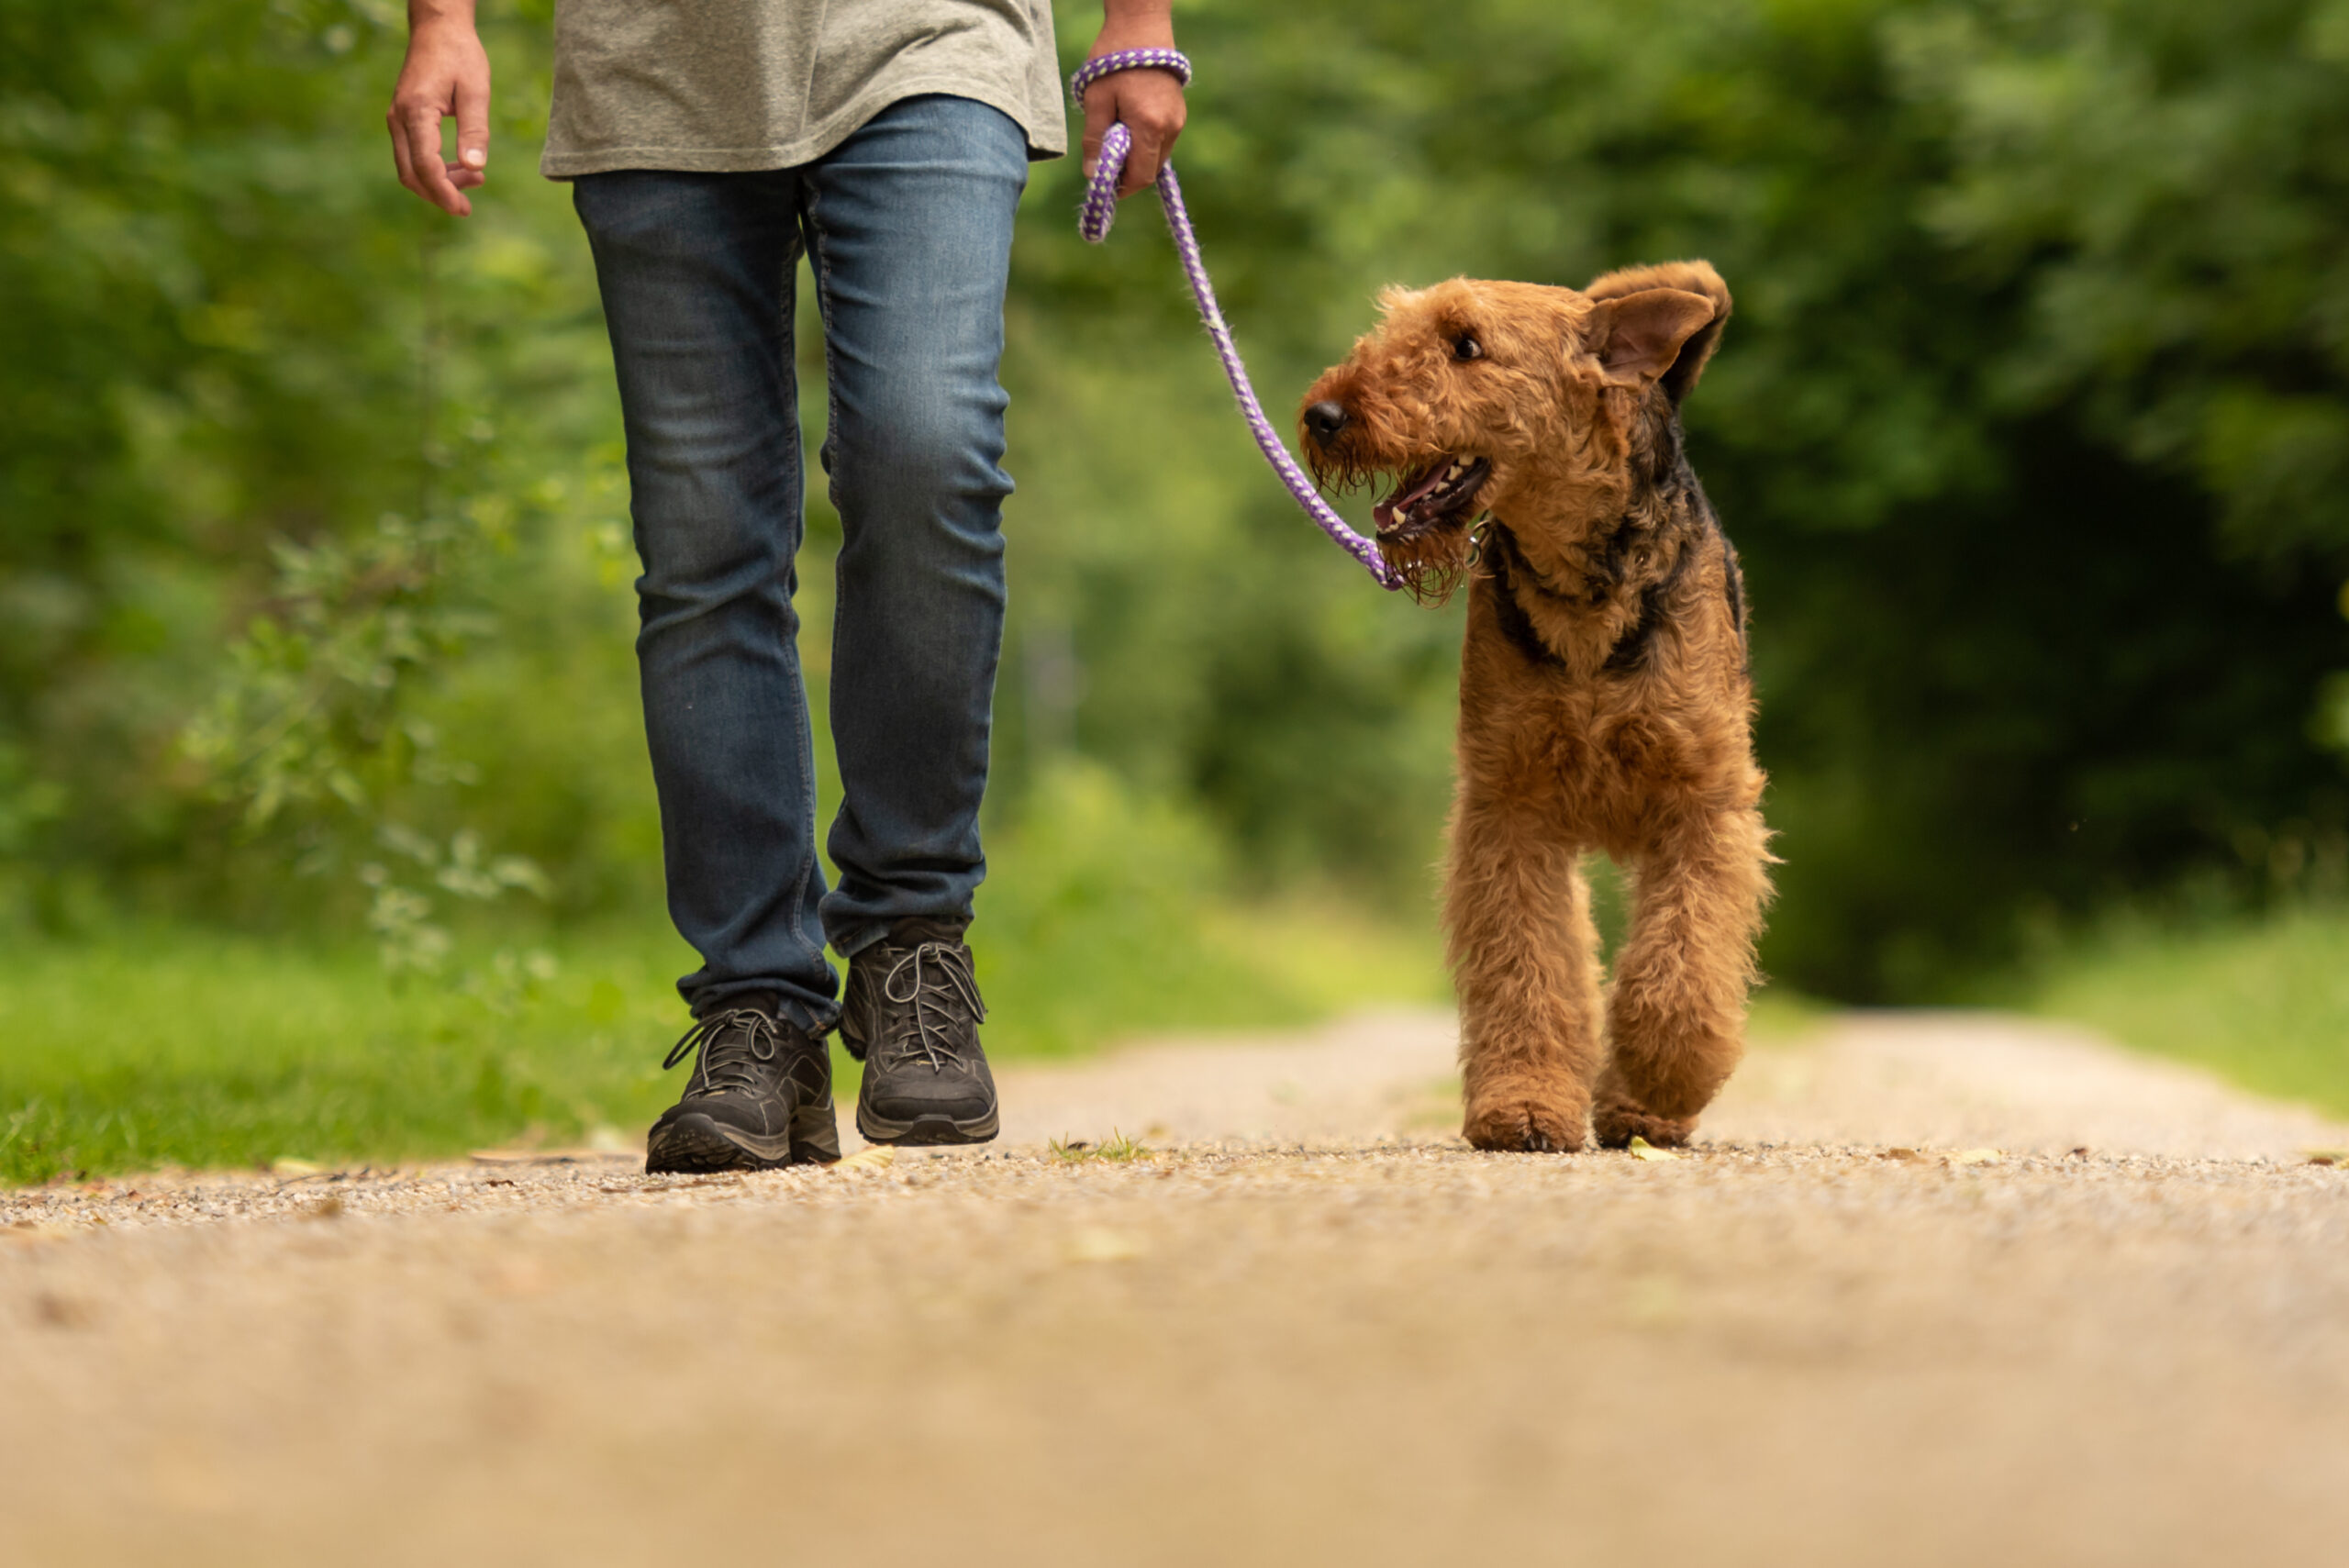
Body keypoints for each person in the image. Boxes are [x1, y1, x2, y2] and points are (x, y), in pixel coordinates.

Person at [388, 1, 1186, 1170]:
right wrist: (441, 18)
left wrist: (1139, 20)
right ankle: (755, 1009)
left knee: (926, 449)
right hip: (651, 66)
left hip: (932, 36)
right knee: (703, 547)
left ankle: (914, 931)